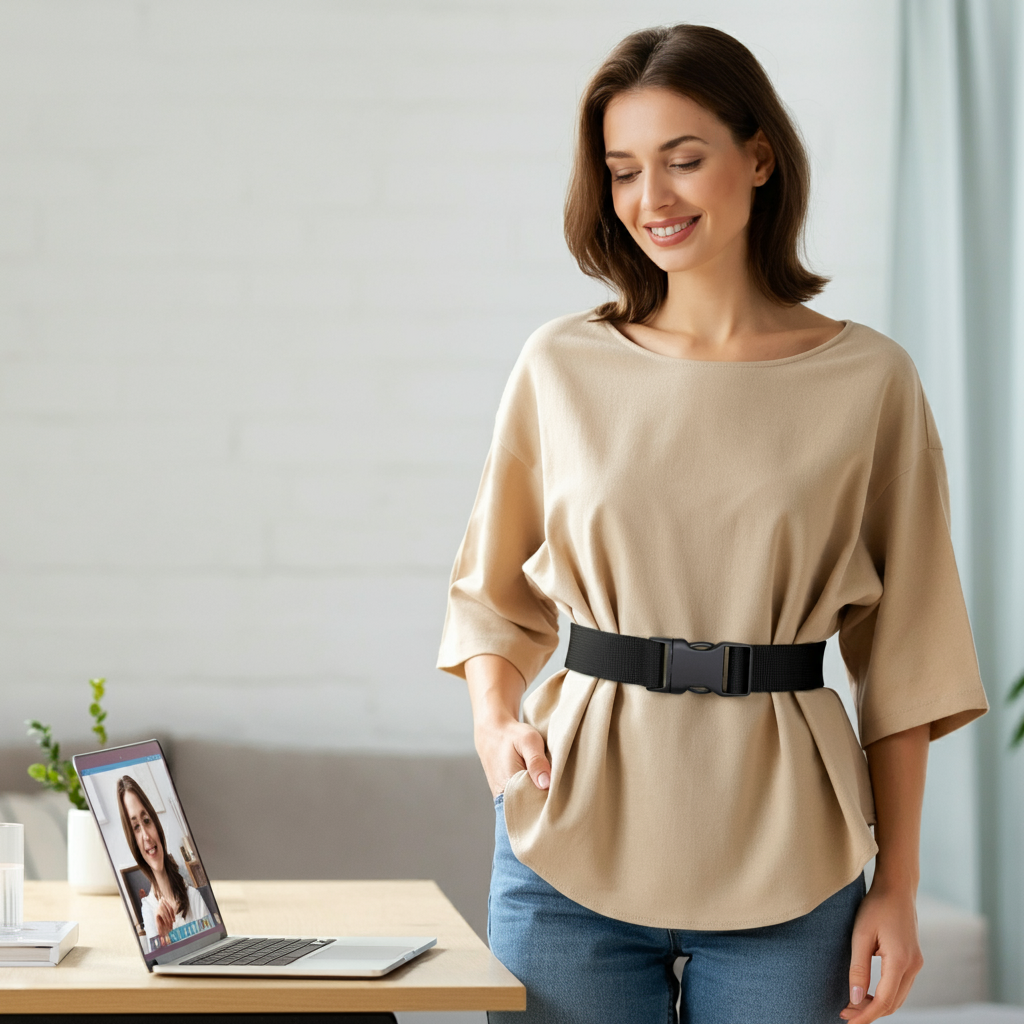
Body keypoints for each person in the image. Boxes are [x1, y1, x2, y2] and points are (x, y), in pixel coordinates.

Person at [436, 23, 988, 1024]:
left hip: (790, 850)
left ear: (760, 157)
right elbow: (489, 594)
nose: (653, 199)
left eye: (683, 159)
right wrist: (493, 718)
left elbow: (904, 653)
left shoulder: (870, 380)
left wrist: (896, 886)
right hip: (569, 836)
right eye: (623, 170)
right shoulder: (560, 364)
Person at [116, 775, 211, 947]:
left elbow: (211, 947)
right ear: (133, 842)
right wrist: (164, 938)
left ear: (157, 826)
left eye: (146, 821)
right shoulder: (148, 909)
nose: (146, 836)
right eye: (136, 827)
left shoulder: (194, 897)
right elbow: (161, 966)